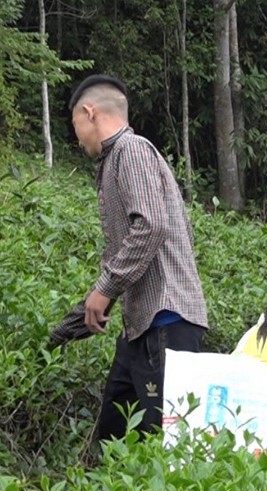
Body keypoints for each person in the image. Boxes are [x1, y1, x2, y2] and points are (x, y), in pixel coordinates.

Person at [54, 74, 209, 441]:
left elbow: (151, 225)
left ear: (90, 112)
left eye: (75, 125)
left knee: (169, 445)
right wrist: (65, 330)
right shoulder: (115, 161)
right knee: (113, 437)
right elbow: (125, 253)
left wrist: (105, 290)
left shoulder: (131, 150)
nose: (77, 138)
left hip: (166, 321)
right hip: (141, 326)